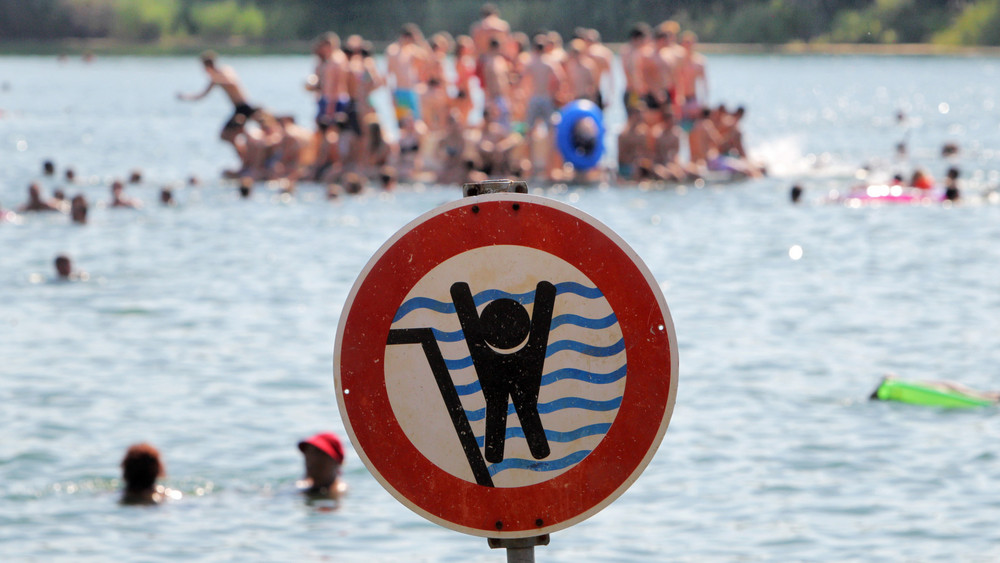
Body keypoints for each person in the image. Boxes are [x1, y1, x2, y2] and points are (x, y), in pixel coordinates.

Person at [177, 51, 257, 166]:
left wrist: (217, 79)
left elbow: (231, 81)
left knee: (229, 135)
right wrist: (185, 97)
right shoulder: (215, 77)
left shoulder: (225, 71)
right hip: (238, 109)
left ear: (207, 65)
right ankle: (246, 161)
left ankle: (249, 161)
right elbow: (202, 95)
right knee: (227, 136)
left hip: (244, 107)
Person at [297, 432, 347, 500]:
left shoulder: (337, 493)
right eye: (308, 451)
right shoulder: (302, 486)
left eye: (318, 452)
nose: (310, 458)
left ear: (335, 461)